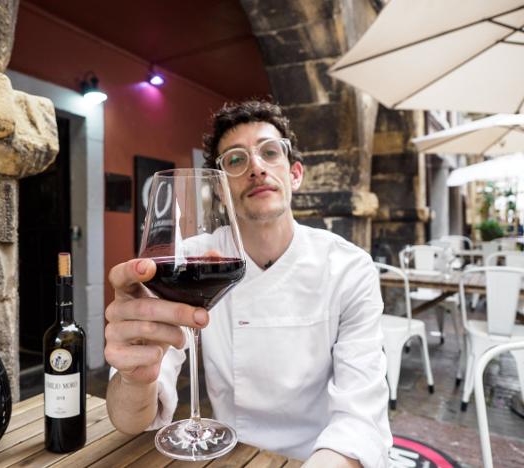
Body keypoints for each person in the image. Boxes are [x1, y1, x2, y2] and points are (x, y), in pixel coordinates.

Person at [104, 100, 392, 467]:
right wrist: (134, 377)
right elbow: (129, 421)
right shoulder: (190, 259)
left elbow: (360, 423)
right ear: (221, 189)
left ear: (295, 174)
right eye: (236, 160)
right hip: (225, 454)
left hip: (320, 456)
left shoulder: (349, 269)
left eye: (270, 153)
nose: (256, 167)